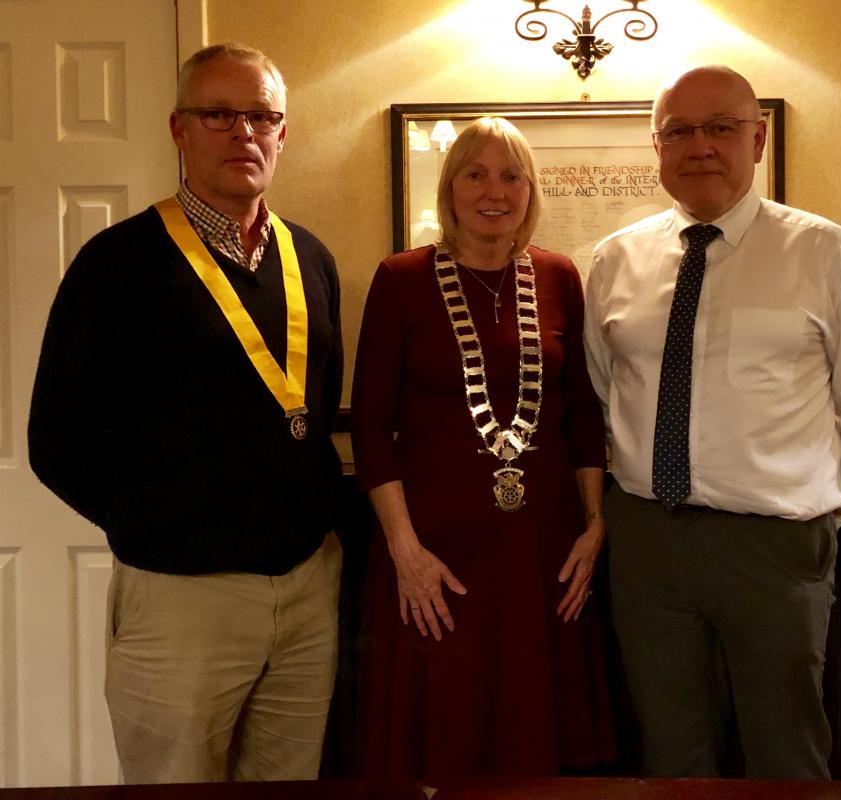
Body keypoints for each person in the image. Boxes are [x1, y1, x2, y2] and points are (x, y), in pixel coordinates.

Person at [28, 43, 343, 783]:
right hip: (181, 598)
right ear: (180, 129)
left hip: (307, 590)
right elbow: (55, 440)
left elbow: (312, 407)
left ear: (283, 133)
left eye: (262, 116)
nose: (244, 133)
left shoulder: (312, 257)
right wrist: (157, 523)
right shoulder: (117, 263)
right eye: (219, 114)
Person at [584, 65, 841, 779]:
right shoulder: (615, 260)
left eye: (721, 128)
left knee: (785, 750)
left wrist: (810, 516)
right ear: (656, 148)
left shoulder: (825, 252)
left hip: (775, 545)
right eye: (680, 132)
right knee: (668, 750)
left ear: (757, 141)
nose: (701, 146)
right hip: (647, 539)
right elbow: (606, 392)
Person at [351, 117, 615, 782]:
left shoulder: (559, 276)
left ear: (530, 190)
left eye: (512, 175)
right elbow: (372, 427)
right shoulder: (401, 277)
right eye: (476, 173)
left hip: (543, 555)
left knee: (538, 744)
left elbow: (581, 410)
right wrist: (403, 552)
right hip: (434, 557)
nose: (495, 190)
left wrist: (595, 523)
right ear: (451, 186)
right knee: (443, 742)